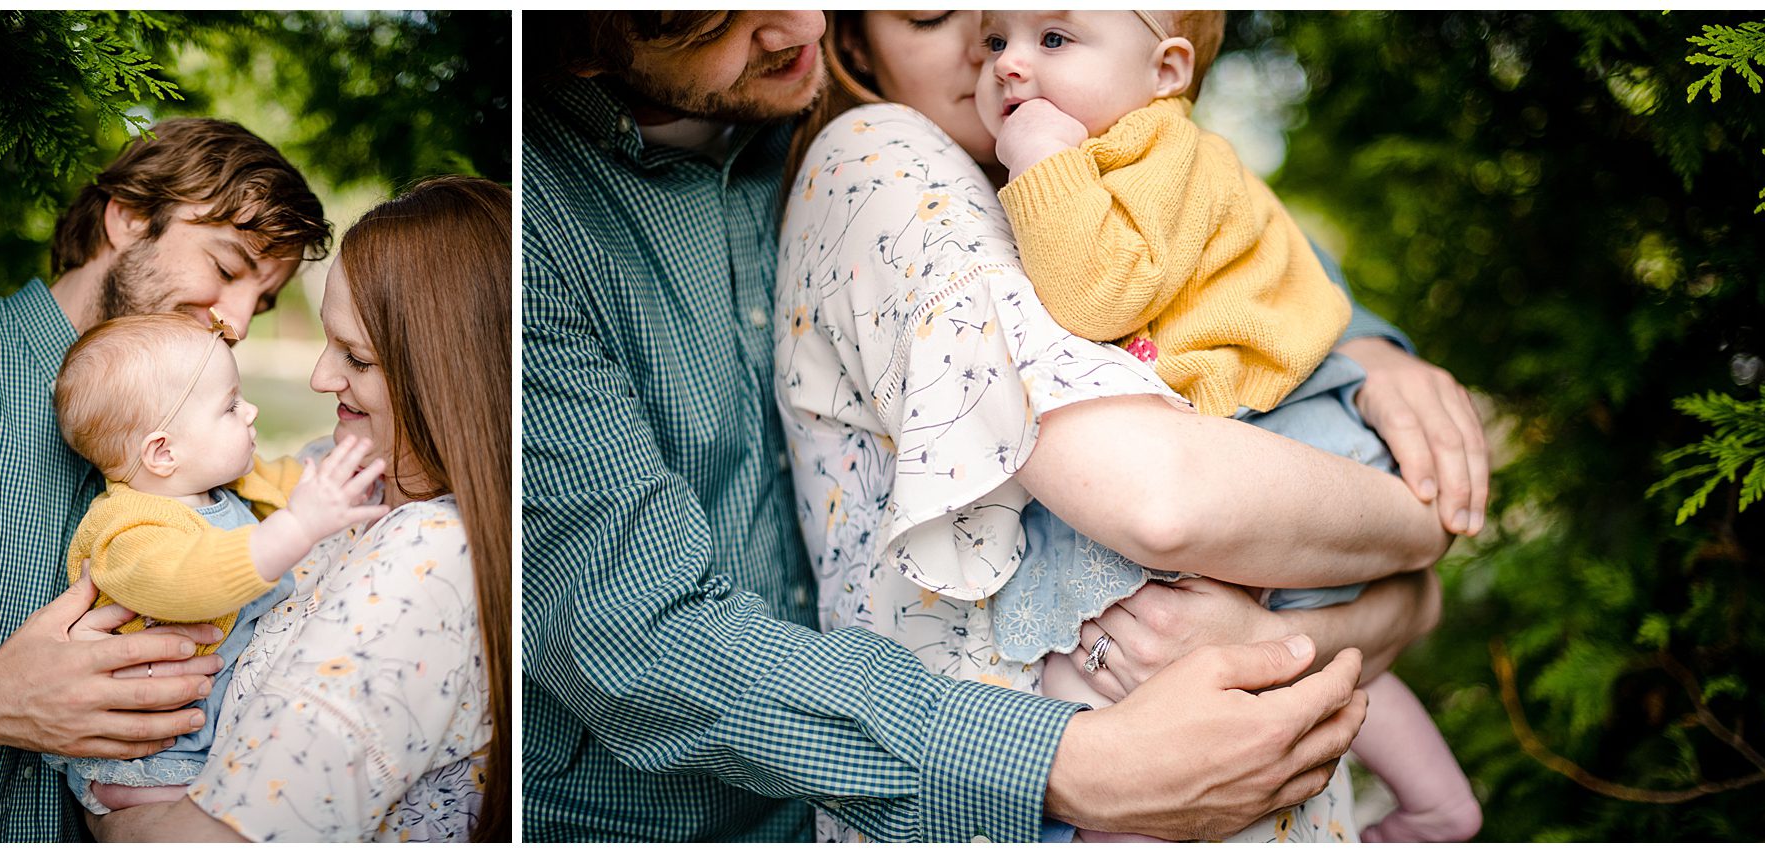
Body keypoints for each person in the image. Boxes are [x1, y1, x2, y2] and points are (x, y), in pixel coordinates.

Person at [523, 11, 1478, 842]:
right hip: (768, 805)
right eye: (949, 20)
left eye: (1046, 27)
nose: (1006, 59)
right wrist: (1418, 526)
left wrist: (1370, 356)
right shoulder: (883, 157)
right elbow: (1164, 499)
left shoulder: (1066, 155)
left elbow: (1238, 258)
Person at [88, 175, 513, 842]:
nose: (319, 376)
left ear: (445, 374)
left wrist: (112, 818)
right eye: (326, 340)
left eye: (359, 358)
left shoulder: (431, 556)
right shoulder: (341, 466)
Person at [0, 117, 330, 843]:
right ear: (128, 217)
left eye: (263, 298)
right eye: (227, 269)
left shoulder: (213, 442)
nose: (238, 320)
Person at [42, 311, 388, 814]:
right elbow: (188, 579)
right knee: (203, 808)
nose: (250, 413)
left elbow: (295, 479)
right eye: (230, 407)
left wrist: (344, 477)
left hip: (210, 725)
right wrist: (295, 529)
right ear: (163, 453)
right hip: (151, 755)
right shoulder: (127, 531)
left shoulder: (226, 486)